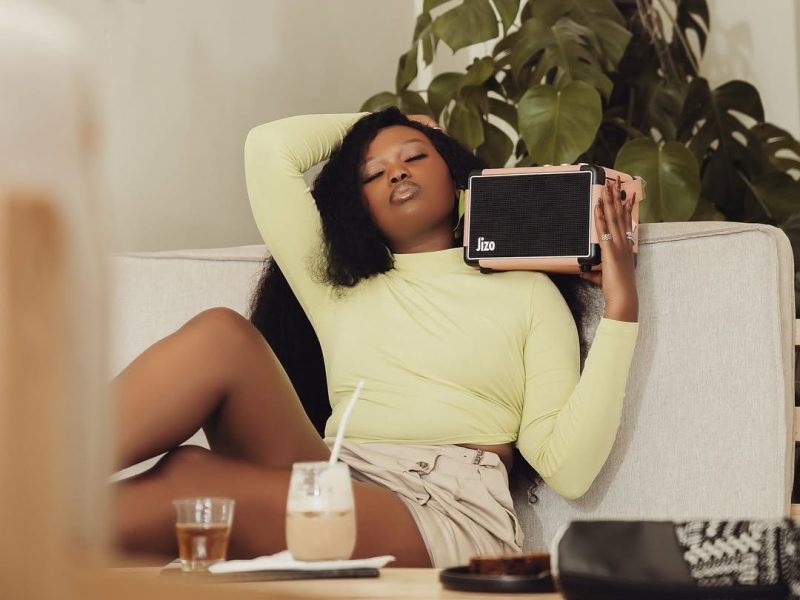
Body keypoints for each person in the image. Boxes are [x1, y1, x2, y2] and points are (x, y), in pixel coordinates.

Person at [112, 107, 639, 569]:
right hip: (337, 472)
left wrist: (621, 309)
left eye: (415, 155)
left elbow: (568, 469)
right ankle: (53, 494)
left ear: (454, 173)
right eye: (372, 172)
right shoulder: (338, 286)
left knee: (194, 481)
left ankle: (55, 543)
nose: (397, 172)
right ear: (357, 205)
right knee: (219, 336)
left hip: (441, 507)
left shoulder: (527, 293)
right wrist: (394, 120)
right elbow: (268, 150)